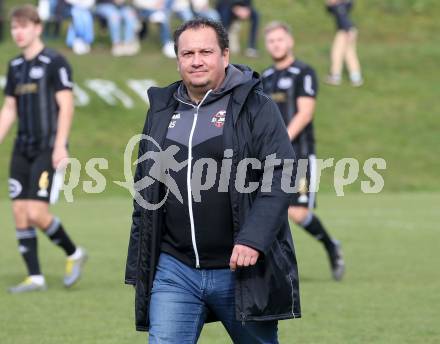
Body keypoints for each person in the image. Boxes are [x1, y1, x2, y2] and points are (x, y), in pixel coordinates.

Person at [125, 17, 301, 343]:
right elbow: (145, 189)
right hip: (174, 269)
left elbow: (281, 174)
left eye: (205, 51)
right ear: (177, 59)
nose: (196, 60)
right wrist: (140, 260)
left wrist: (253, 239)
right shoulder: (162, 109)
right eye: (187, 53)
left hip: (240, 270)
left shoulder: (255, 106)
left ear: (225, 55)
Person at [0, 5, 87, 293]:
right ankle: (35, 277)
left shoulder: (55, 61)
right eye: (14, 28)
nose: (18, 32)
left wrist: (60, 144)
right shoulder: (14, 67)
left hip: (47, 147)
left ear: (37, 28)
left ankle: (74, 253)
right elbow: (9, 108)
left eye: (24, 26)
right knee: (18, 211)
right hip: (21, 148)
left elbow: (66, 104)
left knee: (37, 212)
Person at [261, 21, 345, 281]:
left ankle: (331, 246)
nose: (276, 44)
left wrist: (281, 140)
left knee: (296, 212)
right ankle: (270, 268)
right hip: (270, 157)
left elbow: (305, 113)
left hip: (298, 153)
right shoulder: (265, 77)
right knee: (265, 209)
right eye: (271, 41)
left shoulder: (303, 72)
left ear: (290, 41)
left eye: (280, 39)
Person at [325, 0, 363, 86]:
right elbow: (329, 10)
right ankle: (356, 78)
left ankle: (335, 76)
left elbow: (343, 19)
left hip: (345, 31)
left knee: (336, 53)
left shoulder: (339, 7)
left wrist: (347, 31)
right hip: (348, 30)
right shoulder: (341, 5)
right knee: (349, 53)